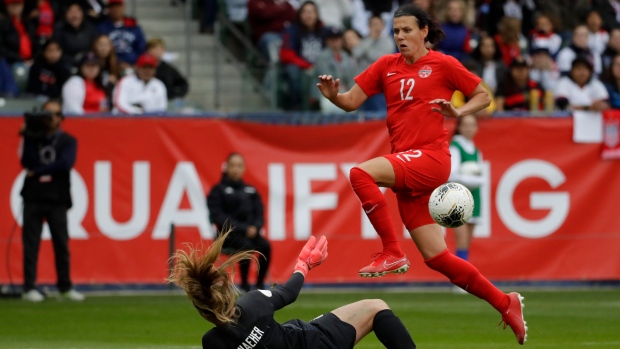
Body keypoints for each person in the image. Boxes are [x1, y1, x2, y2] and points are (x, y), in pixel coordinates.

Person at [316, 4, 527, 344]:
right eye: (396, 31)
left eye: (407, 30)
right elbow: (352, 101)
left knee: (360, 173)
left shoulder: (443, 64)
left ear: (424, 31)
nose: (400, 37)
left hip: (431, 158)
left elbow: (483, 96)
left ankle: (391, 251)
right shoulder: (386, 66)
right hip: (407, 162)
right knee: (439, 259)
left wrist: (457, 110)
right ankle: (506, 303)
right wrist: (334, 97)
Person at [169, 231, 418, 349]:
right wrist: (304, 265)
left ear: (202, 309)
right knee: (375, 308)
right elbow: (288, 293)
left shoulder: (212, 343)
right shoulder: (253, 303)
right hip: (316, 343)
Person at [19, 99, 85, 302]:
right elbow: (26, 161)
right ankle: (29, 286)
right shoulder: (33, 138)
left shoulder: (68, 140)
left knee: (61, 244)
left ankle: (64, 286)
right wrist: (29, 131)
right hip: (33, 196)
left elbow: (64, 164)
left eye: (55, 114)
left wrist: (38, 171)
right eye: (47, 114)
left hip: (57, 197)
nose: (50, 118)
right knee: (30, 244)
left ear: (61, 118)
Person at [206, 153, 271, 292]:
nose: (236, 169)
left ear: (244, 169)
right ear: (226, 168)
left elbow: (259, 213)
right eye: (233, 165)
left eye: (239, 166)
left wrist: (255, 227)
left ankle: (260, 285)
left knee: (265, 247)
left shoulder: (251, 191)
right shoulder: (218, 191)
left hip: (251, 234)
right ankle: (245, 286)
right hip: (227, 236)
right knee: (246, 246)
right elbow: (218, 217)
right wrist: (243, 229)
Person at [448, 114, 484, 294]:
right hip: (459, 196)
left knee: (467, 241)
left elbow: (481, 174)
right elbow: (451, 174)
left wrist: (477, 180)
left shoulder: (476, 150)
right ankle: (459, 280)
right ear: (459, 127)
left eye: (473, 125)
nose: (470, 128)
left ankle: (464, 279)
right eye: (466, 125)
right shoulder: (455, 146)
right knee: (461, 240)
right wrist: (468, 178)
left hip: (474, 195)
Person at [314, 27, 356, 113]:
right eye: (332, 39)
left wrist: (351, 93)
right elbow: (327, 77)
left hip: (345, 92)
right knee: (328, 105)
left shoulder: (347, 56)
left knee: (353, 104)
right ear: (327, 41)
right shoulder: (322, 57)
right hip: (327, 94)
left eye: (337, 39)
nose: (335, 42)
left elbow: (352, 78)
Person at [97, 0, 146, 69]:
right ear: (108, 9)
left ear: (123, 7)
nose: (115, 9)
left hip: (133, 67)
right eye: (112, 7)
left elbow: (141, 50)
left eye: (118, 6)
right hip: (109, 67)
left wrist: (135, 66)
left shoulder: (134, 26)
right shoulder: (102, 27)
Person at [51, 2, 99, 67]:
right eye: (70, 11)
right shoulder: (59, 29)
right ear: (65, 14)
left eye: (77, 11)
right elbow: (56, 52)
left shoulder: (90, 27)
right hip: (65, 65)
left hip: (88, 64)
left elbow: (95, 48)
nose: (74, 16)